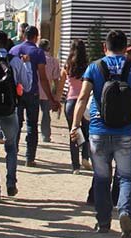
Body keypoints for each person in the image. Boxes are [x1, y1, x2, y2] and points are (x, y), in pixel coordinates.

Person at [71, 29, 131, 238]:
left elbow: (82, 97)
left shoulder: (95, 67)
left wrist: (75, 126)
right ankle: (125, 212)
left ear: (105, 47)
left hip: (98, 132)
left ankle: (103, 222)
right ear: (125, 46)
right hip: (126, 133)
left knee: (102, 178)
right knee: (127, 177)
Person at [0, 31, 30, 202]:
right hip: (10, 110)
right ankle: (11, 182)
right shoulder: (15, 61)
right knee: (11, 148)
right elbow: (28, 85)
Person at [10, 25, 60, 166]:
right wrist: (51, 98)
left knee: (16, 125)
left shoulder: (14, 50)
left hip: (16, 93)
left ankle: (14, 152)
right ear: (36, 37)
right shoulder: (38, 52)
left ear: (23, 35)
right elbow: (43, 78)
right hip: (32, 93)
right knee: (32, 125)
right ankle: (29, 158)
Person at [60, 39, 91, 173]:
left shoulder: (67, 66)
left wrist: (57, 100)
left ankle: (75, 166)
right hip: (84, 101)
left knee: (73, 132)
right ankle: (85, 156)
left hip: (71, 102)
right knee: (87, 132)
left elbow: (62, 85)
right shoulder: (88, 66)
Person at [38, 38, 61, 143]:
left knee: (32, 114)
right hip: (47, 92)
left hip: (34, 90)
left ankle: (32, 133)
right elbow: (56, 79)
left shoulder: (35, 58)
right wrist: (56, 94)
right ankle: (45, 135)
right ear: (49, 48)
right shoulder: (54, 61)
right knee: (46, 113)